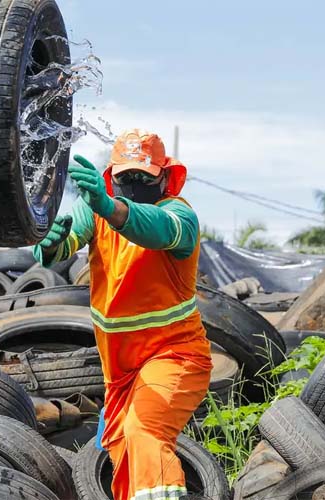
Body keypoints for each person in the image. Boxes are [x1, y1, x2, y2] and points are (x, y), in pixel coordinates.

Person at [34, 129, 213, 500]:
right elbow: (66, 242)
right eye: (125, 176)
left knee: (145, 431)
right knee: (121, 452)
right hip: (119, 371)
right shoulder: (95, 212)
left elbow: (156, 230)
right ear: (111, 175)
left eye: (144, 176)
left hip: (174, 355)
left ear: (165, 176)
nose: (134, 183)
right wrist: (48, 247)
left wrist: (111, 207)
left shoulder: (179, 215)